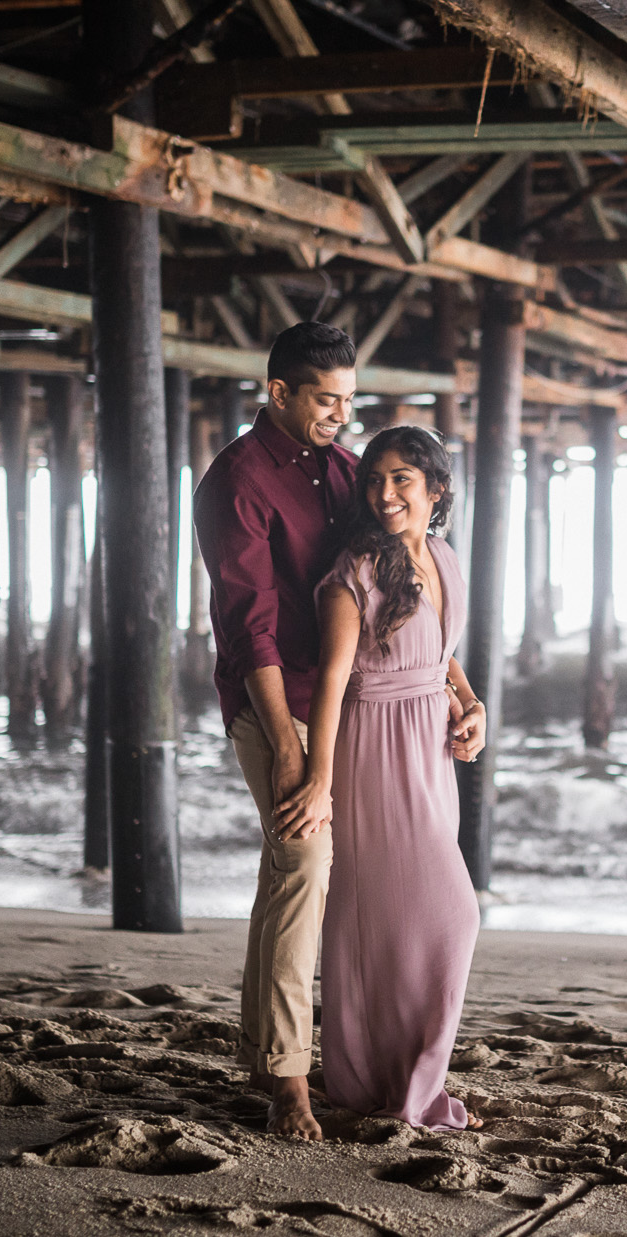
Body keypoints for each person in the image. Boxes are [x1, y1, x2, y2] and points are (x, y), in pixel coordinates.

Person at [191, 322, 358, 1140]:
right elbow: (246, 628)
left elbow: (395, 582)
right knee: (303, 854)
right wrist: (292, 754)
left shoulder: (348, 470)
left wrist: (456, 687)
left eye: (348, 401)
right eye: (326, 399)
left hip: (336, 697)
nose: (340, 414)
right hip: (268, 699)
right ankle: (289, 1078)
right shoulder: (235, 481)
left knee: (287, 868)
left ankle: (265, 1049)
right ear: (279, 391)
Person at [299, 426, 486, 1131]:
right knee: (450, 914)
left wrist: (473, 705)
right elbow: (332, 680)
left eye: (402, 478)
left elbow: (442, 654)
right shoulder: (356, 569)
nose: (384, 493)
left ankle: (381, 1078)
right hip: (374, 745)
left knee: (401, 925)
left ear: (435, 488)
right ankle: (408, 1087)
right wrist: (320, 779)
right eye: (375, 479)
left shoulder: (441, 554)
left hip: (432, 747)